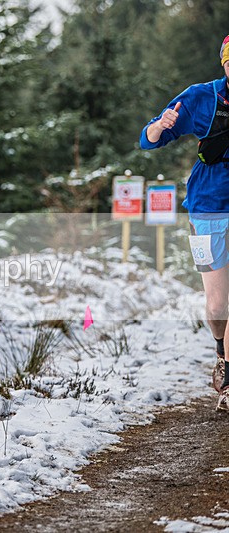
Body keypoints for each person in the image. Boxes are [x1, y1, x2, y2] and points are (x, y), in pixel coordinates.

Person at [140, 35, 229, 410]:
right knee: (218, 306)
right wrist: (161, 125)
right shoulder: (202, 97)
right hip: (208, 206)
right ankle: (220, 348)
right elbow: (148, 139)